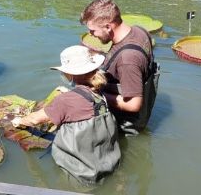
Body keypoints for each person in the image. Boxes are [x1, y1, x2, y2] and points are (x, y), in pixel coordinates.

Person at [12, 45, 120, 185]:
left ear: (71, 74)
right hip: (108, 162)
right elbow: (84, 102)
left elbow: (35, 119)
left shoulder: (66, 100)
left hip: (80, 175)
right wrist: (67, 92)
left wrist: (19, 120)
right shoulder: (98, 90)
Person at [80, 0, 159, 135]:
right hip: (139, 106)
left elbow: (134, 105)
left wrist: (96, 95)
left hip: (124, 124)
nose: (91, 35)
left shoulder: (127, 59)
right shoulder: (139, 31)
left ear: (108, 27)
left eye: (93, 31)